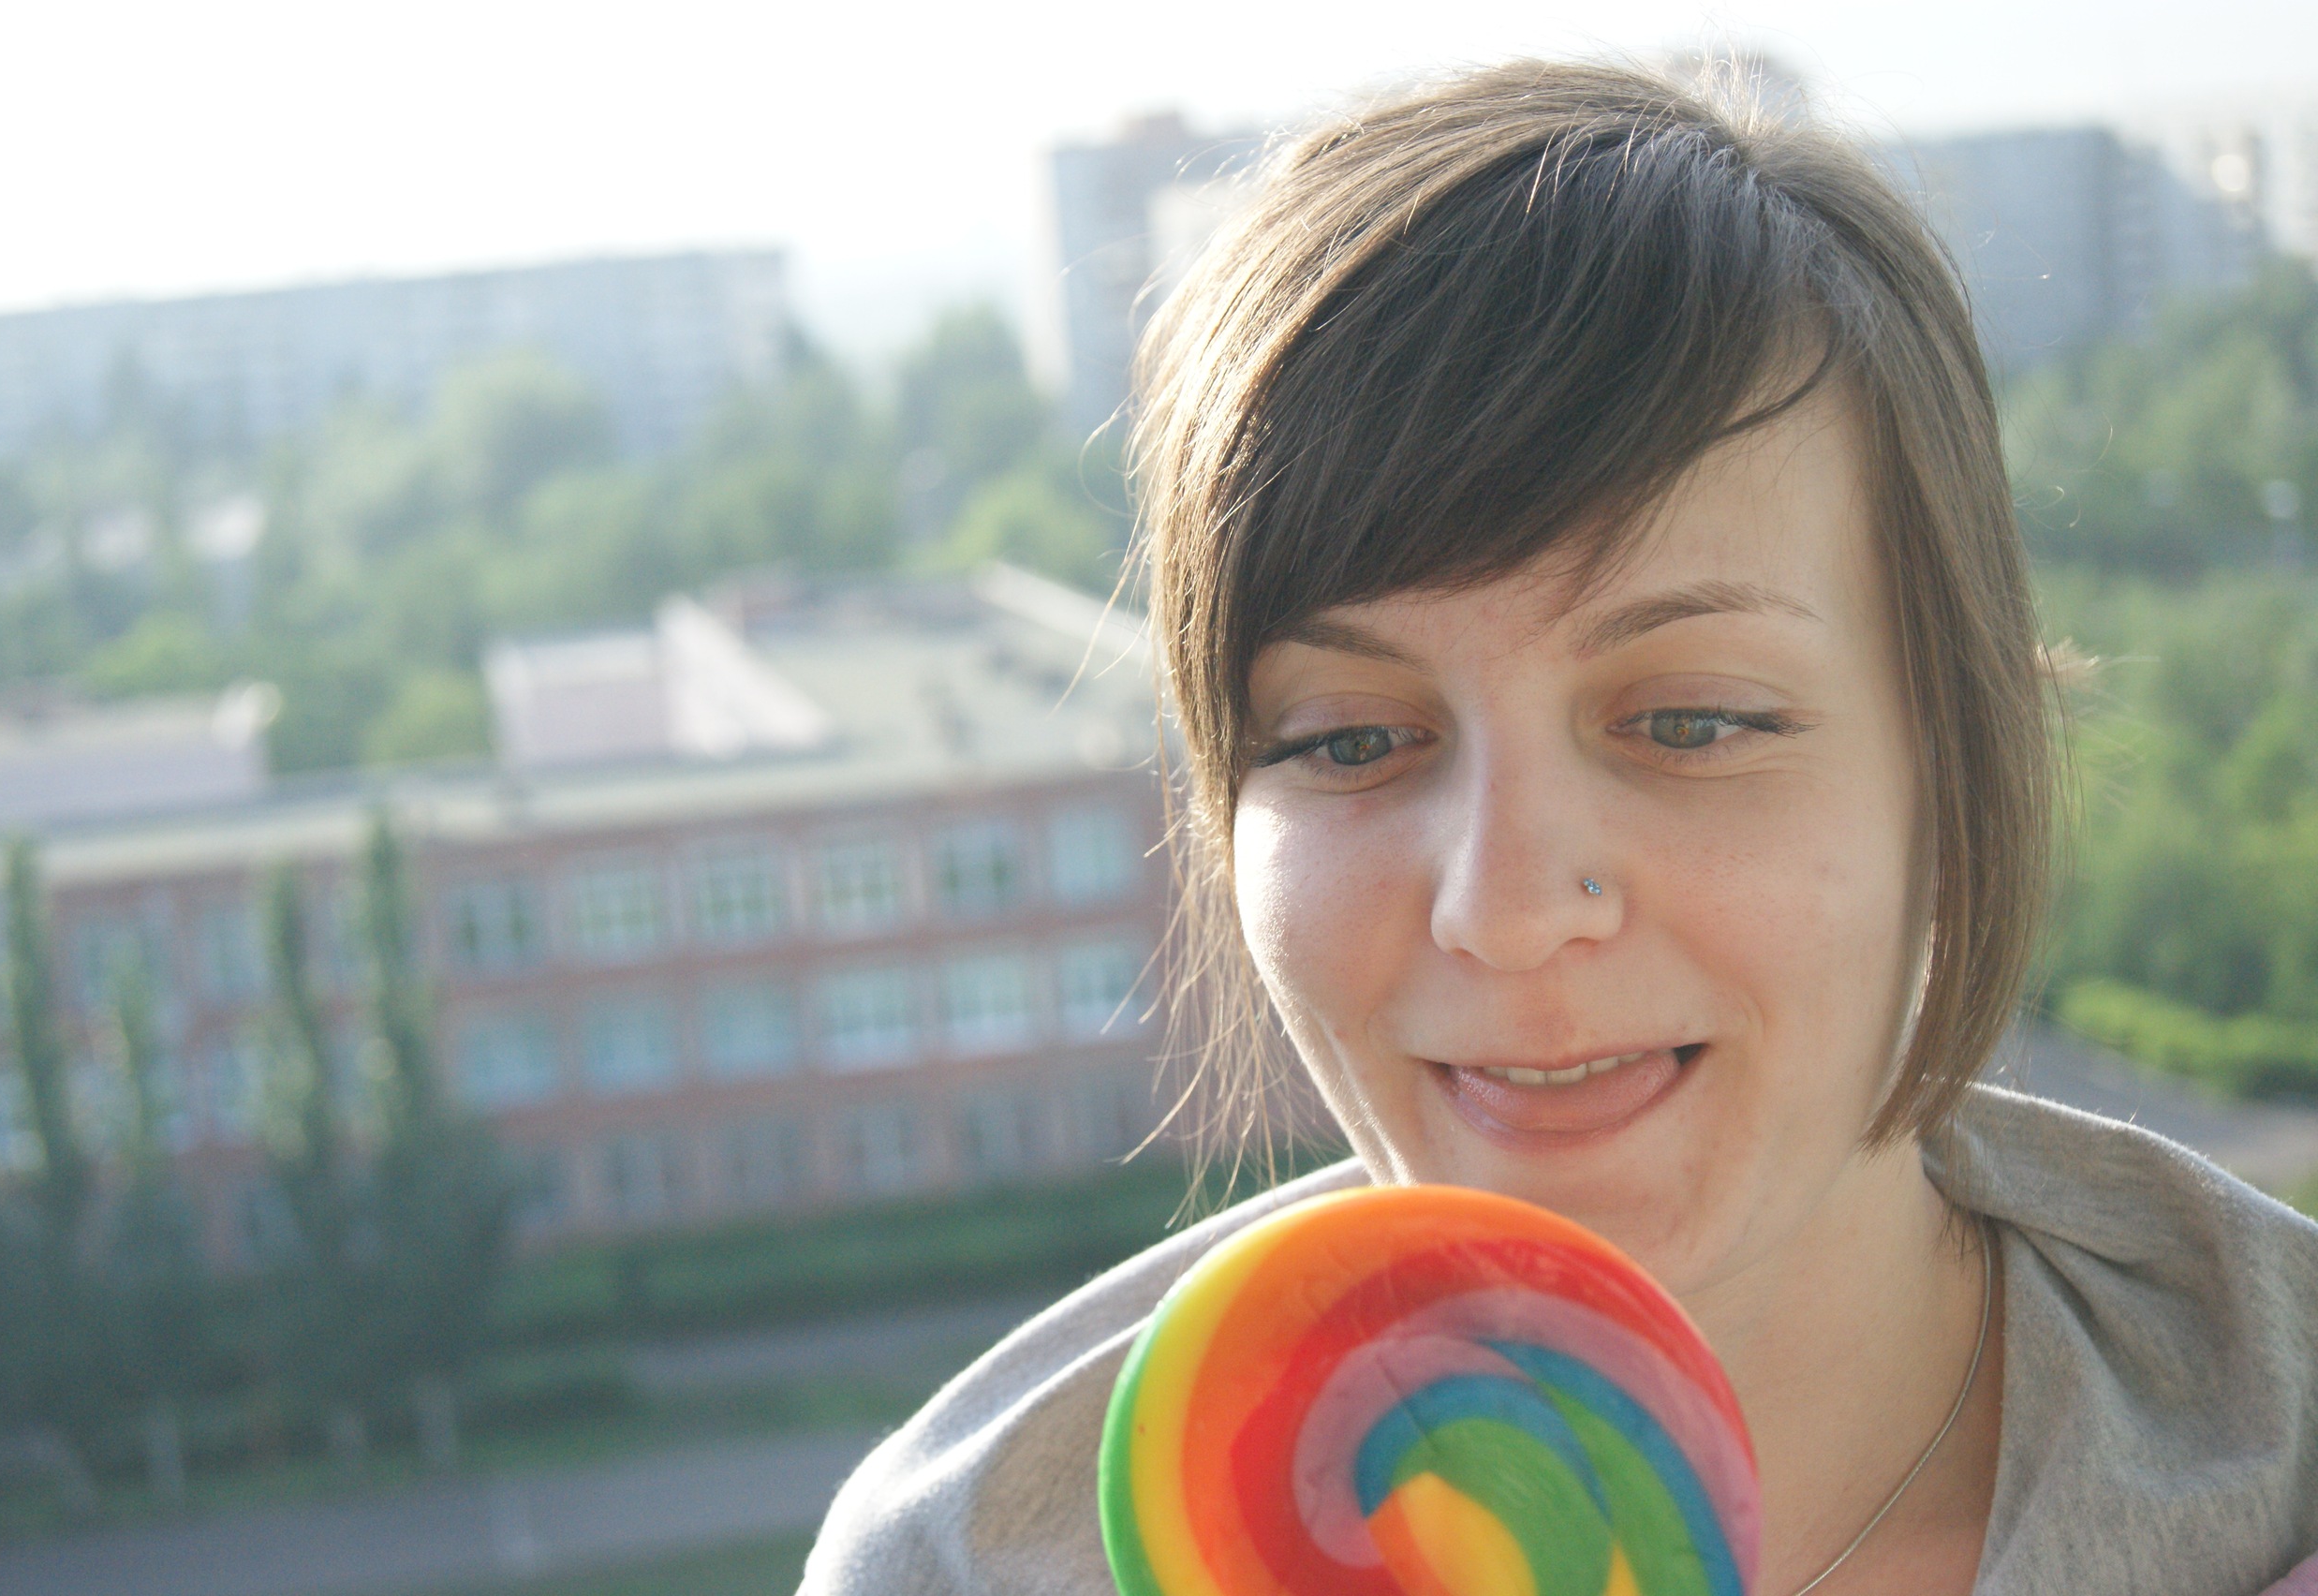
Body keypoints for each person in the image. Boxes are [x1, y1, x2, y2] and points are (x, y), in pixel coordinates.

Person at [800, 59, 2318, 1596]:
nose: (1508, 906)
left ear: (1954, 760)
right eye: (1351, 740)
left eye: (1692, 722)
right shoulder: (963, 1565)